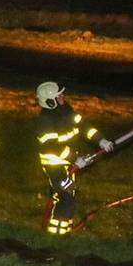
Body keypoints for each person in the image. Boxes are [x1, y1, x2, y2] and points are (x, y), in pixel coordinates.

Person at [34, 81, 114, 235]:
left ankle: (64, 230)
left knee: (68, 195)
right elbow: (51, 147)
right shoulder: (45, 121)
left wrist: (101, 140)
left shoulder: (67, 112)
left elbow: (85, 127)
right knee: (66, 197)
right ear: (50, 100)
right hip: (54, 165)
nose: (63, 96)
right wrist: (74, 159)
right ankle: (56, 235)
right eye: (59, 95)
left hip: (66, 162)